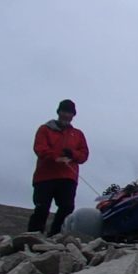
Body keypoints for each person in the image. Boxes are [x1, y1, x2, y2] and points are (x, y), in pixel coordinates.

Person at [28, 99, 89, 236]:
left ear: (73, 115)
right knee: (41, 208)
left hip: (68, 177)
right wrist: (56, 157)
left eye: (70, 113)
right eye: (64, 112)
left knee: (67, 207)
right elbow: (40, 148)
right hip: (45, 176)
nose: (67, 115)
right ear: (59, 112)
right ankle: (32, 237)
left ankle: (55, 236)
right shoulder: (44, 129)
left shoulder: (78, 134)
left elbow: (84, 155)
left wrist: (72, 154)